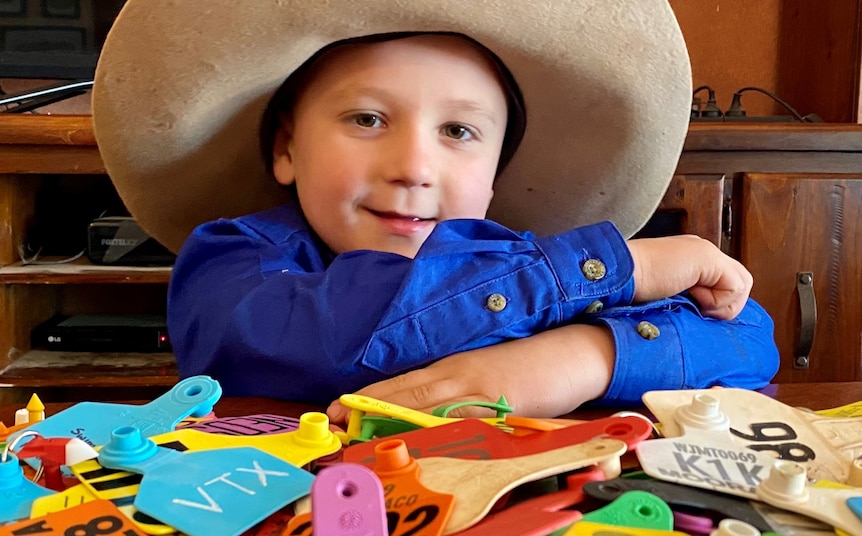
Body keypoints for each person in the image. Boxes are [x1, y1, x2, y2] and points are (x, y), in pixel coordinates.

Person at [91, 0, 779, 421]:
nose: (415, 168)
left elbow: (748, 334)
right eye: (366, 118)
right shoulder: (229, 261)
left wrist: (581, 357)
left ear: (495, 172)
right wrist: (614, 266)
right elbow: (315, 334)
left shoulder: (515, 261)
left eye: (458, 132)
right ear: (286, 148)